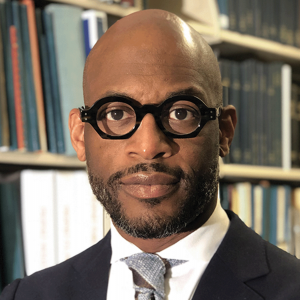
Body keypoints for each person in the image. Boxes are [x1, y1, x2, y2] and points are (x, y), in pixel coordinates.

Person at [1, 9, 300, 300]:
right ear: (80, 136)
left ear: (224, 131)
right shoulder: (27, 295)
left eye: (181, 112)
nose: (148, 147)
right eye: (116, 113)